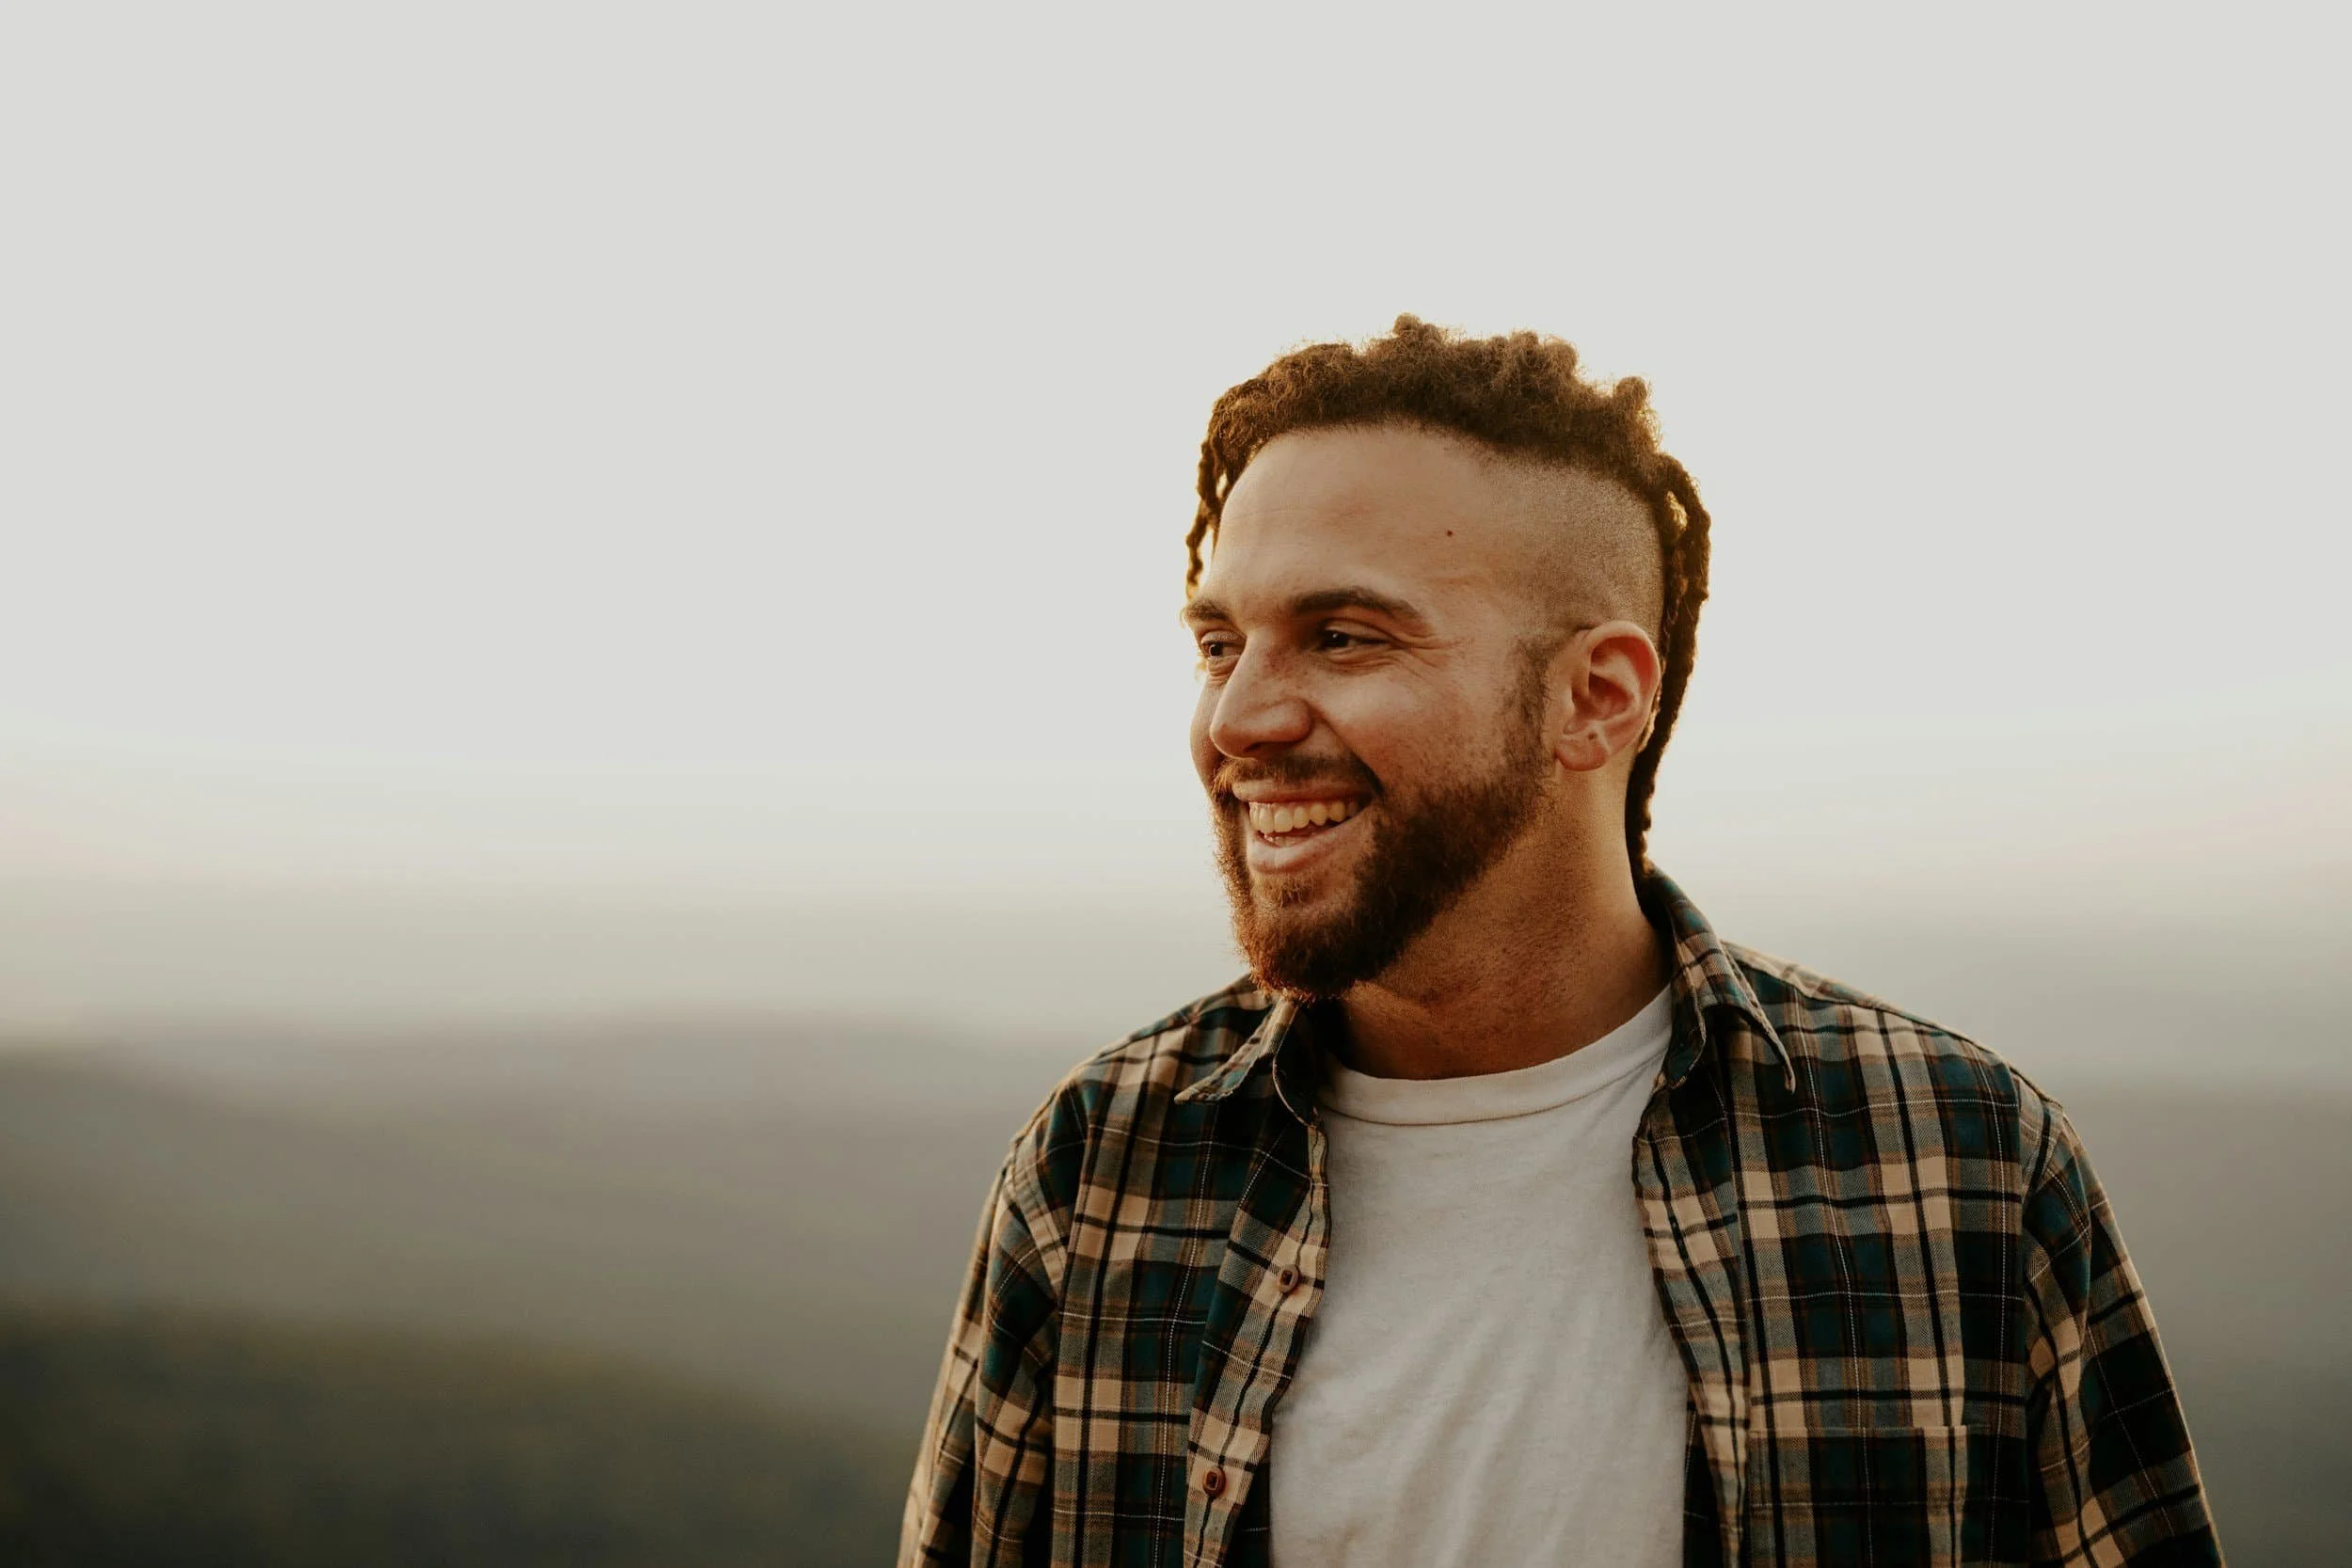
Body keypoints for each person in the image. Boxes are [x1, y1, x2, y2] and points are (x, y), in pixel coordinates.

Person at [899, 317, 2220, 1566]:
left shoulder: (1959, 1164)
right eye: (1217, 641)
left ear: (1598, 698)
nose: (1237, 718)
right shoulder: (1101, 1174)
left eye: (1343, 636)